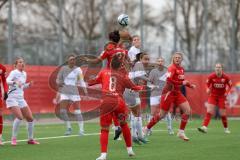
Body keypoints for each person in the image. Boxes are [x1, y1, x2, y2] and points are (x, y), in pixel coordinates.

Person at [88, 53, 145, 160]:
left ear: (110, 64)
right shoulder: (123, 76)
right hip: (119, 102)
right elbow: (134, 87)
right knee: (124, 125)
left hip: (107, 102)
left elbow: (91, 82)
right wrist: (142, 87)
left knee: (104, 129)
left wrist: (88, 79)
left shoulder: (103, 72)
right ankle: (130, 150)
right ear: (120, 66)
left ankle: (103, 155)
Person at [85, 30, 130, 140]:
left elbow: (97, 60)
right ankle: (118, 125)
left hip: (111, 78)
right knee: (118, 102)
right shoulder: (123, 50)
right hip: (122, 78)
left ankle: (118, 125)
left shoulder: (109, 49)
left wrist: (87, 59)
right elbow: (128, 61)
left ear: (110, 39)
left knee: (110, 102)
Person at [144, 52, 196, 141]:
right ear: (173, 58)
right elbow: (169, 80)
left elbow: (181, 81)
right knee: (161, 115)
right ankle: (146, 128)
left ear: (181, 59)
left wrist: (189, 85)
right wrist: (182, 83)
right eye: (175, 57)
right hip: (168, 93)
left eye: (179, 57)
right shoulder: (171, 68)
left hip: (177, 93)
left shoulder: (181, 69)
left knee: (187, 111)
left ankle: (181, 132)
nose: (177, 59)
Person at [6, 57, 39, 145]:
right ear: (15, 65)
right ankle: (13, 138)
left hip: (21, 98)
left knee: (30, 118)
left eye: (23, 62)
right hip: (12, 98)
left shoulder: (24, 73)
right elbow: (7, 81)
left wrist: (28, 85)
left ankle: (30, 139)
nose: (22, 63)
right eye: (20, 62)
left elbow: (22, 87)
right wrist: (15, 82)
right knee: (20, 117)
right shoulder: (14, 72)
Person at [56, 54, 88, 136]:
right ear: (68, 61)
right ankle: (69, 128)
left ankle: (81, 130)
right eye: (71, 59)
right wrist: (59, 83)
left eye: (74, 59)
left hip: (74, 92)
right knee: (63, 111)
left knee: (77, 111)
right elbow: (58, 79)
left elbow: (81, 80)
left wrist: (85, 90)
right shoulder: (63, 68)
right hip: (65, 91)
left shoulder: (78, 69)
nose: (72, 61)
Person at [198, 63, 232, 134]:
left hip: (222, 97)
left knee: (222, 114)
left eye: (219, 67)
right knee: (209, 111)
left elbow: (230, 85)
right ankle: (204, 127)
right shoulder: (211, 76)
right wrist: (207, 88)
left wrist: (227, 92)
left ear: (222, 69)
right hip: (213, 96)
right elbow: (206, 84)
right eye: (216, 67)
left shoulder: (226, 77)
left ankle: (226, 129)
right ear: (215, 69)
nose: (218, 69)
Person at [124, 52, 150, 144]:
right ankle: (139, 136)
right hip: (131, 91)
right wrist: (150, 79)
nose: (147, 61)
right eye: (145, 59)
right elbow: (140, 76)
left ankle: (135, 135)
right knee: (138, 114)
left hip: (129, 91)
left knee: (135, 114)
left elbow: (137, 78)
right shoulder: (139, 64)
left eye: (148, 59)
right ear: (140, 59)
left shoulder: (137, 65)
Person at [148, 57, 174, 135]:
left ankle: (170, 129)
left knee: (167, 112)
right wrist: (153, 86)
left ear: (164, 62)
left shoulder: (167, 71)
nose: (160, 62)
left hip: (165, 94)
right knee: (153, 112)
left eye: (161, 61)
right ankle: (149, 129)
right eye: (158, 61)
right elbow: (149, 83)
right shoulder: (153, 71)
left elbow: (171, 82)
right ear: (156, 63)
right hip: (154, 94)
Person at [0, 62, 8, 145]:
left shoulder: (2, 68)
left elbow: (4, 81)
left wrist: (5, 91)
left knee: (0, 115)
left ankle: (0, 137)